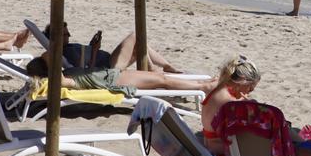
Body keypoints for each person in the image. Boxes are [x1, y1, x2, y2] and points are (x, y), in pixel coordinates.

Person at [24, 56, 216, 96]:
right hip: (113, 80)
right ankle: (202, 86)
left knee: (160, 77)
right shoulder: (62, 80)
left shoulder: (66, 74)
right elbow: (50, 54)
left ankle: (202, 82)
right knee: (161, 80)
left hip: (112, 75)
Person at [42, 22, 184, 73]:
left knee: (140, 45)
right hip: (109, 67)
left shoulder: (69, 47)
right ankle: (154, 68)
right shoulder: (67, 53)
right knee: (135, 36)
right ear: (57, 37)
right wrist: (95, 51)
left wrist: (92, 46)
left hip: (110, 61)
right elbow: (85, 72)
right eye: (66, 34)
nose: (70, 35)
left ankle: (166, 66)